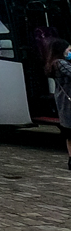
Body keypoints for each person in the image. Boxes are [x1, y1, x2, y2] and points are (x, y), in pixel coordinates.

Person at [44, 37, 71, 171]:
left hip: (63, 100)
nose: (69, 51)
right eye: (68, 49)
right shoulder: (60, 63)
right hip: (68, 102)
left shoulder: (53, 63)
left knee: (69, 133)